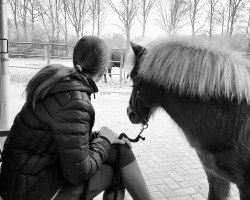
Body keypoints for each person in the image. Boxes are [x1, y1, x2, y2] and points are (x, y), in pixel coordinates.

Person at [0, 36, 152, 200]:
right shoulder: (75, 101)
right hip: (31, 192)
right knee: (117, 171)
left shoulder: (61, 83)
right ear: (102, 73)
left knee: (120, 150)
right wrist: (105, 141)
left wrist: (103, 137)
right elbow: (78, 173)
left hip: (22, 182)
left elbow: (66, 140)